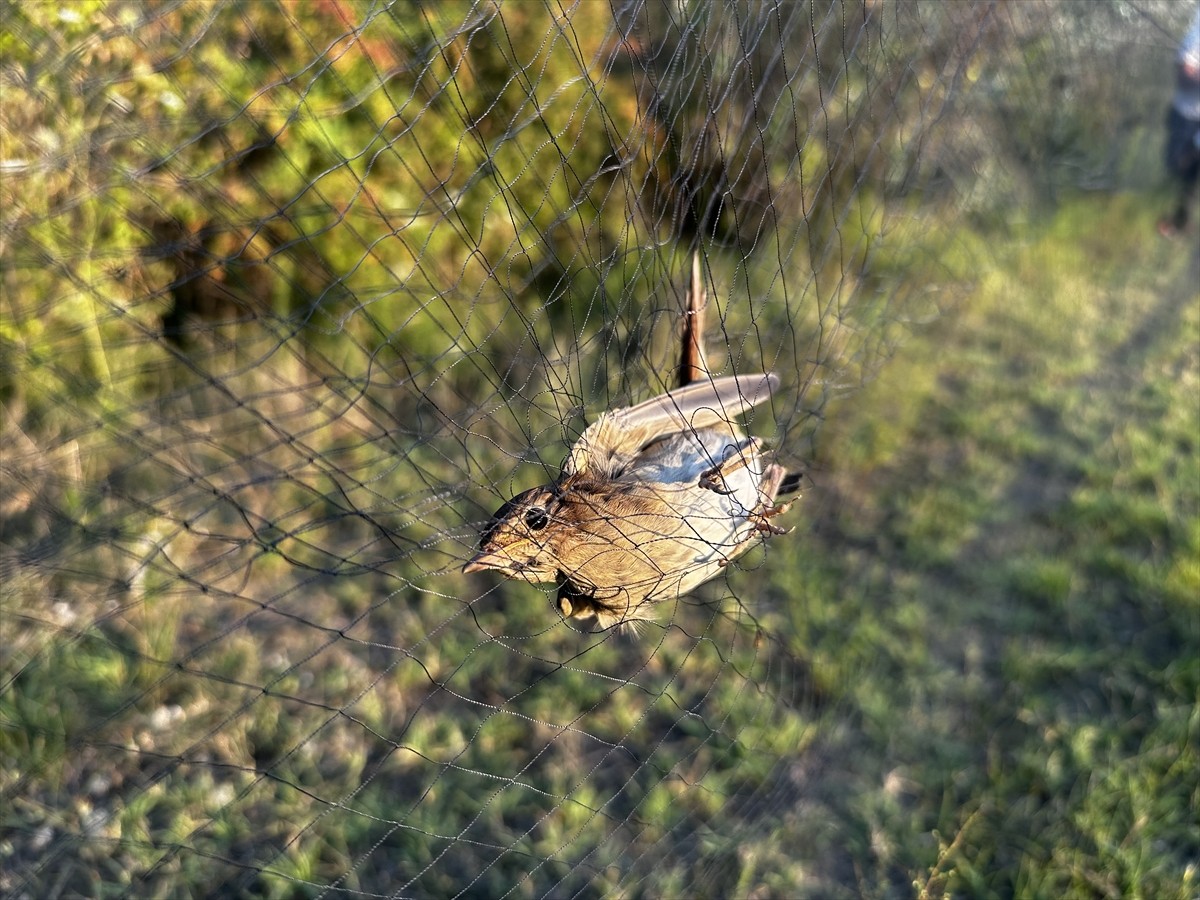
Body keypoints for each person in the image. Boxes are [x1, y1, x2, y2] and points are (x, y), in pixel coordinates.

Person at [1159, 8, 1200, 238]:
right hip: (1185, 117)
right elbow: (1184, 77)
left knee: (1190, 179)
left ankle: (1178, 222)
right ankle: (1174, 221)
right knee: (1176, 166)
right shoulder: (1197, 35)